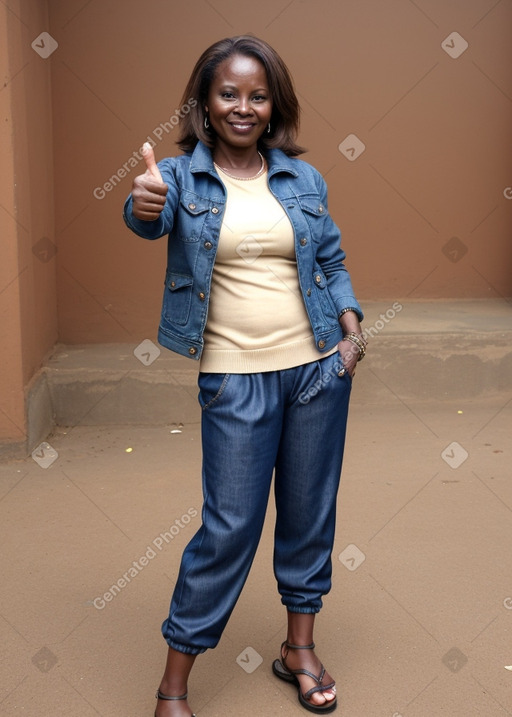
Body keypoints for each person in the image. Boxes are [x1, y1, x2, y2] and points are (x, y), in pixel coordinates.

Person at [123, 35, 365, 717]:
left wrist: (350, 328)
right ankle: (174, 682)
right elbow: (147, 217)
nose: (243, 106)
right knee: (229, 526)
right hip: (235, 377)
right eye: (228, 92)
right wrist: (142, 205)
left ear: (272, 104)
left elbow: (334, 257)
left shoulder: (301, 179)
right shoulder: (175, 178)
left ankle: (299, 649)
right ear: (205, 101)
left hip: (317, 368)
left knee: (310, 512)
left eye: (257, 95)